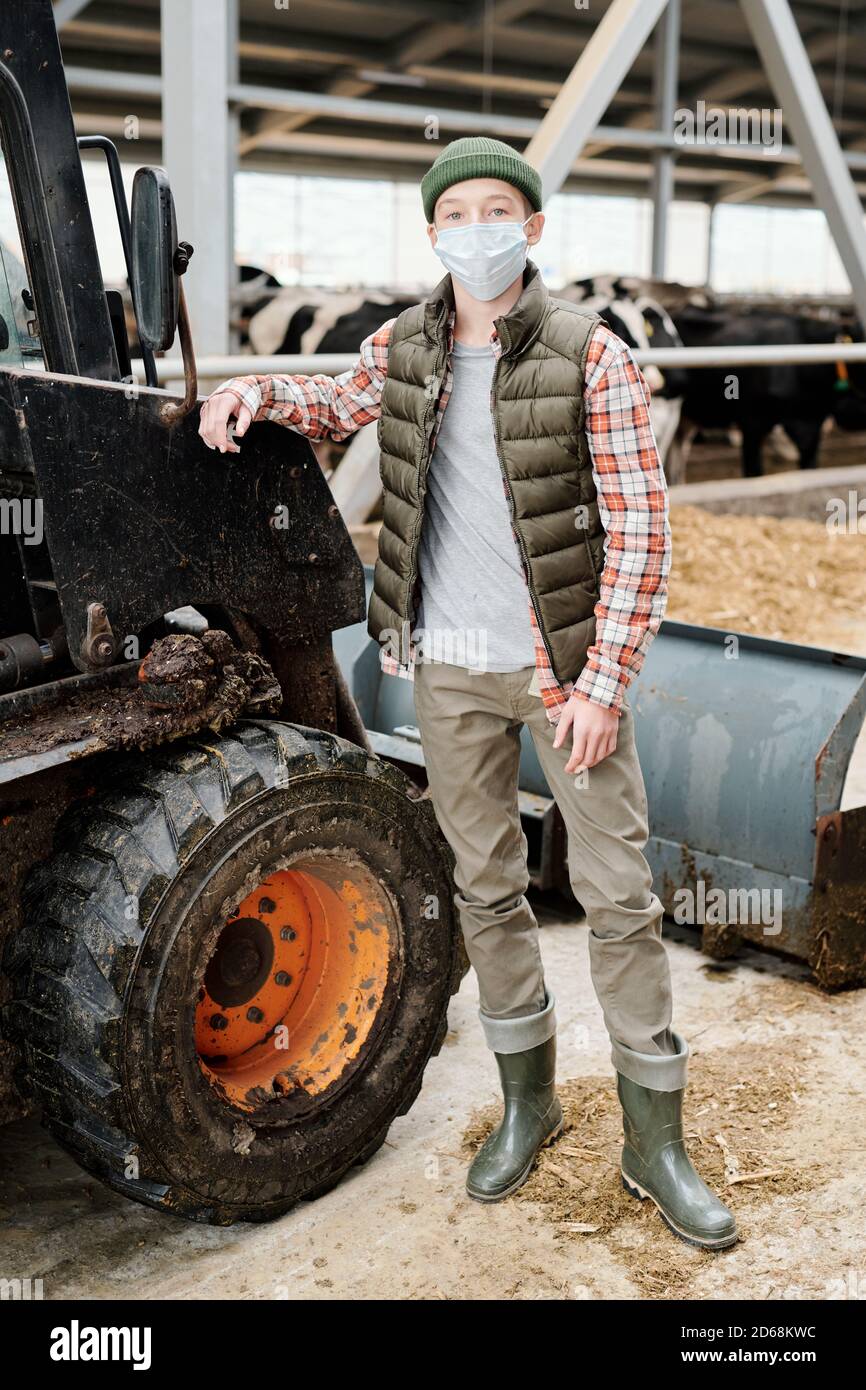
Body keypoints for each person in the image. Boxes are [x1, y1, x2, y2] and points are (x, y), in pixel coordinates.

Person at [199, 136, 737, 1250]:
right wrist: (251, 387)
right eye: (458, 212)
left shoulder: (591, 354)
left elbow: (639, 528)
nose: (478, 228)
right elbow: (336, 399)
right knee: (484, 886)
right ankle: (525, 1105)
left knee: (618, 894)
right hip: (444, 666)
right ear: (434, 230)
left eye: (500, 210)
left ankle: (653, 1144)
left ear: (531, 229)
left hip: (560, 674)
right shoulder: (406, 343)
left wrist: (603, 680)